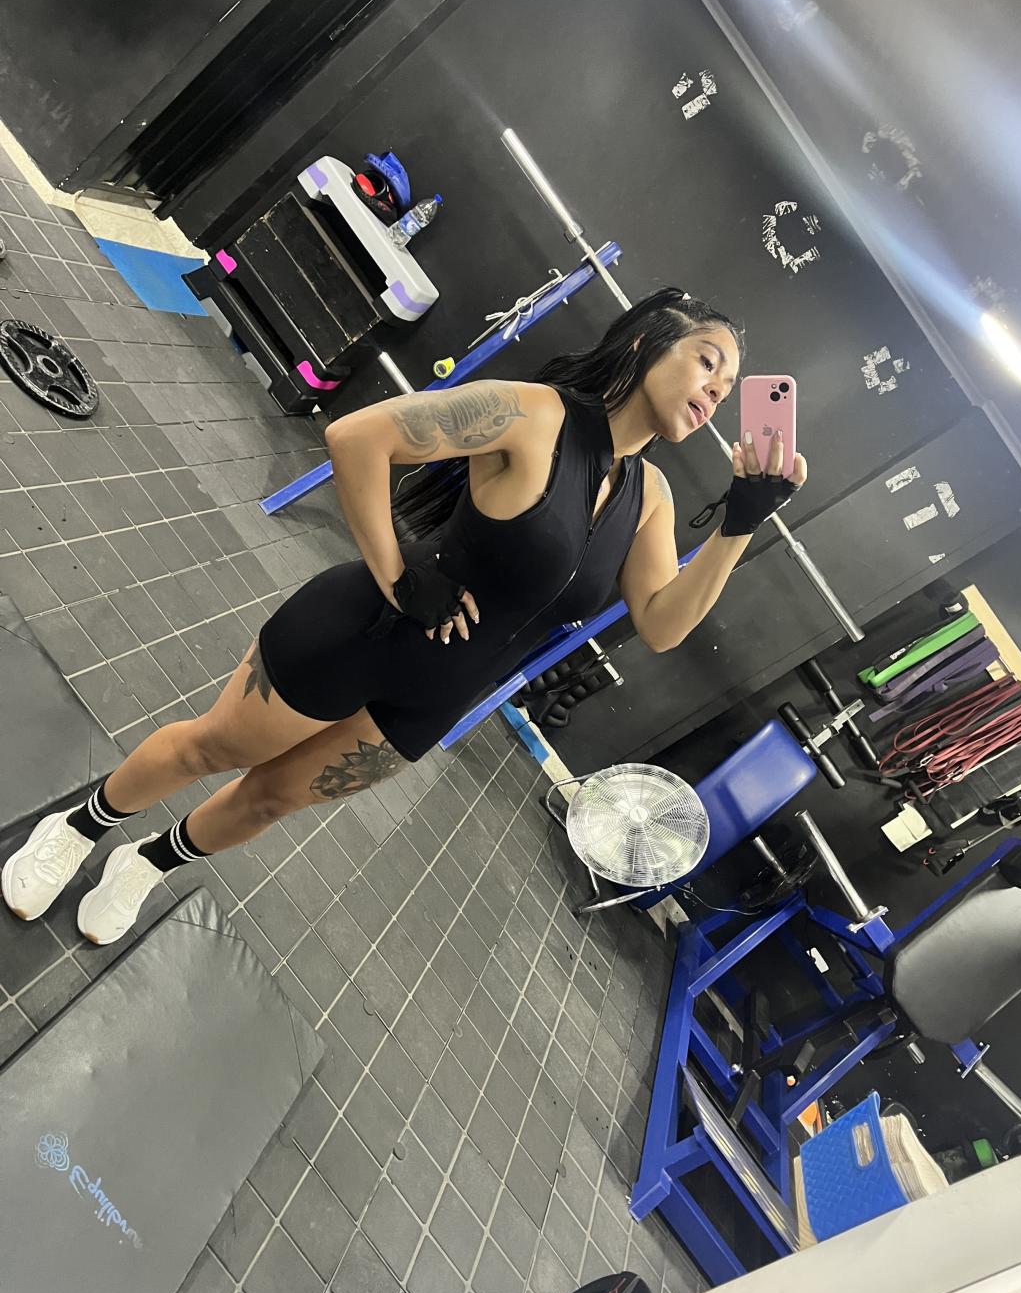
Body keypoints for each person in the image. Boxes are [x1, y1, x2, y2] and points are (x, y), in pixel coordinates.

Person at [2, 288, 806, 945]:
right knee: (213, 747)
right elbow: (359, 437)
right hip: (364, 632)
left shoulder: (650, 497)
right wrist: (395, 576)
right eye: (708, 362)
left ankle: (148, 863)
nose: (716, 392)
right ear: (644, 342)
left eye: (728, 387)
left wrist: (740, 524)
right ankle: (78, 826)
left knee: (269, 801)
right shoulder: (537, 415)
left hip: (431, 700)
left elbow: (662, 624)